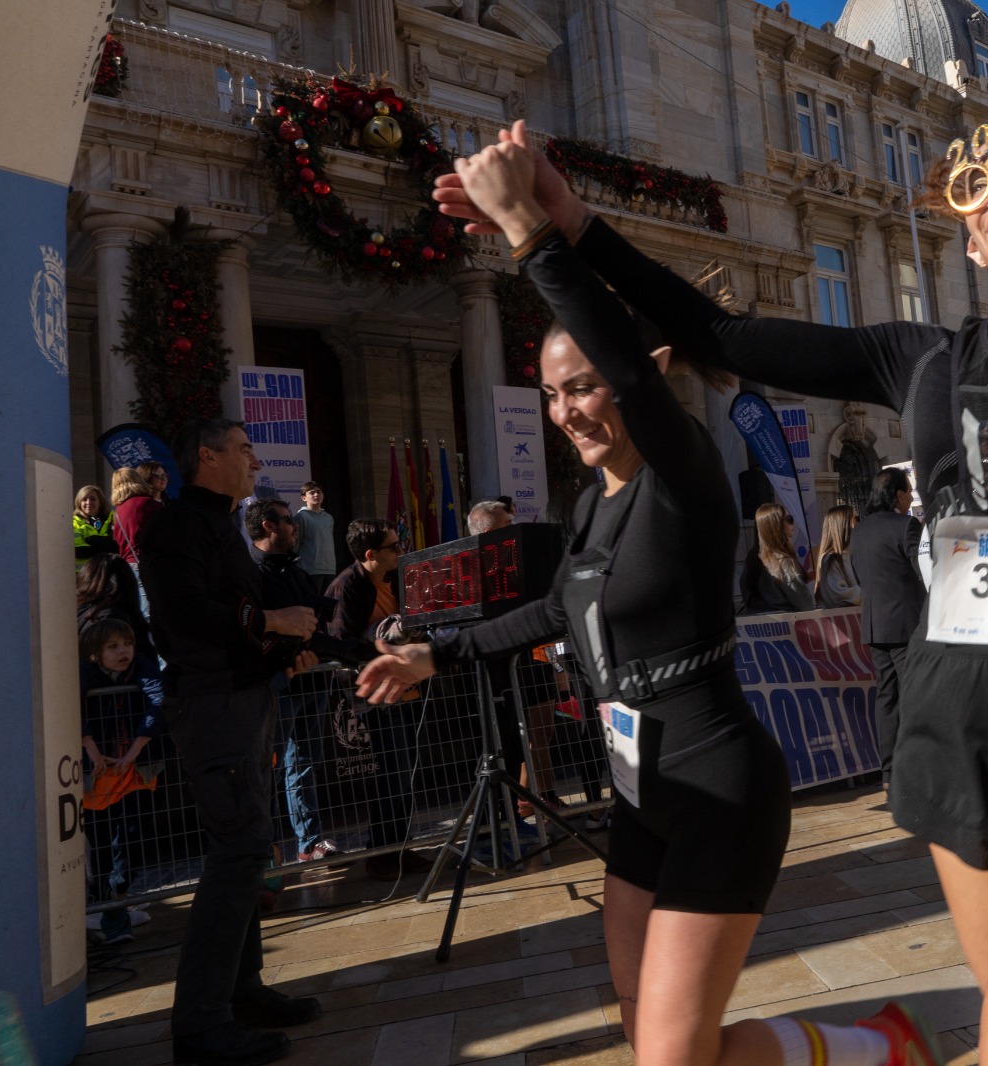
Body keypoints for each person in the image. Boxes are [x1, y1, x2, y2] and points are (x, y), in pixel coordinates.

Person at [439, 109, 988, 1063]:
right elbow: (716, 330)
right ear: (969, 239)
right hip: (951, 719)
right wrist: (572, 223)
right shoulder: (920, 360)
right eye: (977, 185)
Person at [369, 130, 936, 1066]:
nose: (568, 412)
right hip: (641, 796)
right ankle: (879, 1045)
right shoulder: (593, 505)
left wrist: (530, 231)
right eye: (553, 395)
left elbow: (629, 374)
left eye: (585, 387)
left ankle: (878, 1048)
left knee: (674, 1056)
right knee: (649, 1033)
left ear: (650, 373)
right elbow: (558, 611)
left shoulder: (686, 477)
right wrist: (437, 654)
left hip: (720, 792)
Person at [137, 418, 322, 1066]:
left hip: (243, 697)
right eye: (244, 449)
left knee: (247, 850)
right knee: (238, 851)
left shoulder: (220, 525)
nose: (256, 460)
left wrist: (280, 650)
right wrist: (273, 620)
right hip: (212, 704)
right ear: (207, 457)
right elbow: (184, 613)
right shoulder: (175, 525)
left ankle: (242, 992)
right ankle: (201, 1024)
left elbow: (233, 621)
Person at [247, 497, 356, 864]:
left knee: (305, 765)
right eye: (288, 520)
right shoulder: (249, 574)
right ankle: (266, 851)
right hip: (278, 685)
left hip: (313, 682)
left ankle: (309, 843)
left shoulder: (296, 570)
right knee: (268, 770)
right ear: (268, 526)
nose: (295, 527)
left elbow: (315, 630)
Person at [326, 519, 434, 880]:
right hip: (377, 691)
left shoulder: (397, 579)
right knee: (395, 772)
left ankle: (400, 848)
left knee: (407, 772)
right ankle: (382, 854)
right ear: (371, 554)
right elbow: (339, 642)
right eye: (394, 547)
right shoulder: (347, 586)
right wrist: (385, 648)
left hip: (408, 687)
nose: (401, 551)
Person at [79, 617, 163, 947]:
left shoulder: (141, 665)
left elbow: (158, 699)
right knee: (100, 842)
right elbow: (70, 704)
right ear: (95, 652)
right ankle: (108, 910)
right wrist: (90, 747)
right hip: (97, 772)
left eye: (127, 643)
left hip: (133, 768)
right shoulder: (83, 672)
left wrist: (136, 748)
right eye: (112, 646)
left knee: (130, 837)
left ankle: (118, 904)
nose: (123, 651)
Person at [848, 468, 927, 789]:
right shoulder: (906, 525)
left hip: (875, 626)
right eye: (908, 492)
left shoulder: (859, 531)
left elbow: (860, 575)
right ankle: (917, 767)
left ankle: (890, 772)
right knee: (915, 695)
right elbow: (924, 570)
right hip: (907, 625)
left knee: (887, 697)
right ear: (898, 495)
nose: (910, 498)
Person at [76, 553, 159, 668]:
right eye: (113, 646)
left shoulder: (76, 614)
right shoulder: (115, 617)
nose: (122, 650)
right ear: (129, 583)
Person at [742, 502, 814, 612]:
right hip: (786, 620)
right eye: (789, 519)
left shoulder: (752, 559)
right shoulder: (783, 561)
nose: (792, 524)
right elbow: (805, 604)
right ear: (777, 525)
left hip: (755, 619)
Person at [112, 466, 164, 573]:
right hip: (147, 563)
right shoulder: (147, 503)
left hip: (127, 565)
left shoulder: (118, 510)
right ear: (138, 480)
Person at [814, 505, 861, 608]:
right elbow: (838, 594)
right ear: (843, 524)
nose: (859, 523)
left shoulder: (853, 555)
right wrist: (871, 594)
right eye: (856, 518)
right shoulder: (831, 558)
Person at [293, 482, 337, 589]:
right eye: (312, 493)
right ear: (304, 498)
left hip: (330, 569)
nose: (316, 495)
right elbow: (295, 544)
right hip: (309, 570)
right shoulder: (301, 517)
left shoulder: (328, 518)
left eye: (319, 492)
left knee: (328, 599)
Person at [73, 484, 116, 565]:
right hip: (86, 571)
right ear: (79, 503)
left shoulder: (114, 519)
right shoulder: (74, 522)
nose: (88, 502)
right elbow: (80, 551)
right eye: (84, 499)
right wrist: (105, 544)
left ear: (100, 502)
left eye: (93, 499)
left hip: (110, 569)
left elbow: (119, 546)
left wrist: (93, 541)